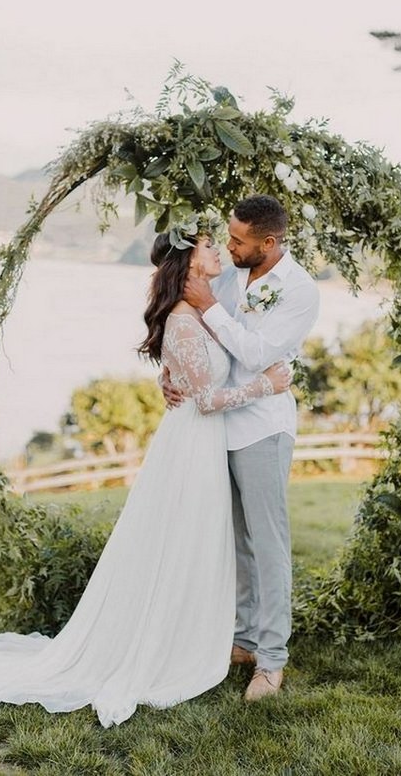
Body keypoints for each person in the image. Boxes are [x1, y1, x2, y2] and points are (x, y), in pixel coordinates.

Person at [0, 229, 291, 727]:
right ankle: (170, 643)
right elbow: (206, 399)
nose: (218, 252)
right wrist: (265, 385)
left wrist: (174, 375)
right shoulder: (186, 320)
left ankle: (196, 635)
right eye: (208, 246)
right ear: (187, 266)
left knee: (197, 543)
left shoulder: (204, 309)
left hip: (202, 443)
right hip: (193, 443)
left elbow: (200, 372)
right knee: (182, 542)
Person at [162, 195, 319, 701]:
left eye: (238, 240)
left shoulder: (298, 291)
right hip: (216, 426)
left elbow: (255, 355)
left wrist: (210, 308)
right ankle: (246, 638)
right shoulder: (231, 276)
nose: (229, 247)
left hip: (261, 428)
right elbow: (202, 343)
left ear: (268, 244)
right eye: (227, 238)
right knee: (237, 542)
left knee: (268, 543)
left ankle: (271, 661)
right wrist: (170, 375)